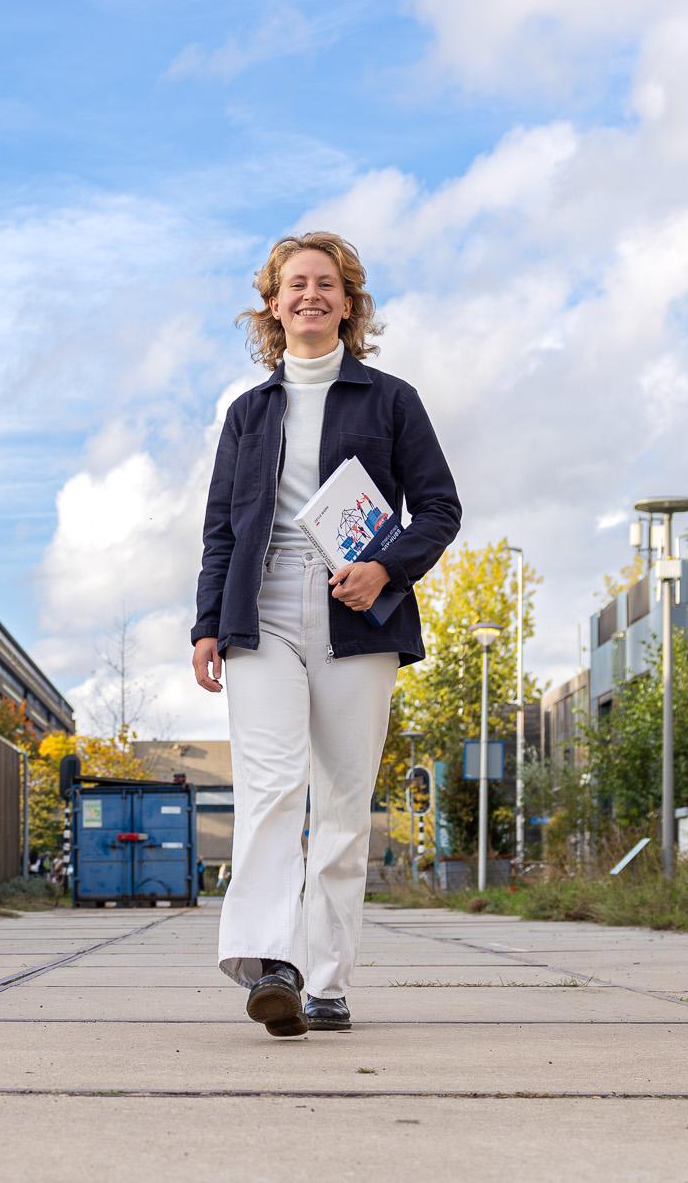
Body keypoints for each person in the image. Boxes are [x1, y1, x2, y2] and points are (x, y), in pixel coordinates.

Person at [190, 232, 460, 1037]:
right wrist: (207, 622)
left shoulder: (391, 400)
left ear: (349, 303)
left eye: (327, 283)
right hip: (261, 606)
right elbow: (219, 530)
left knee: (342, 800)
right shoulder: (248, 412)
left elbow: (440, 508)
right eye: (295, 284)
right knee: (271, 788)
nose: (311, 294)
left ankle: (329, 982)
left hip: (358, 611)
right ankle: (272, 963)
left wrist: (386, 566)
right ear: (272, 306)